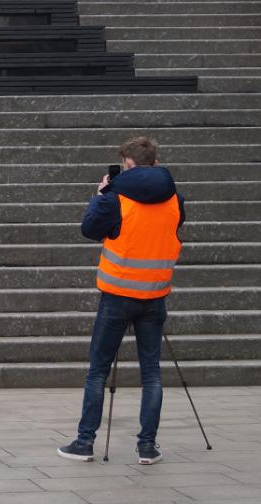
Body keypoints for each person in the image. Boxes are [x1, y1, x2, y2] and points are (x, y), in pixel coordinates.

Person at [57, 136, 186, 465]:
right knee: (152, 374)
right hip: (154, 295)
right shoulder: (175, 199)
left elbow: (89, 228)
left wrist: (100, 196)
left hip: (117, 295)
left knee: (97, 372)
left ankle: (85, 442)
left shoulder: (116, 197)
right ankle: (147, 446)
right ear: (155, 163)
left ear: (127, 165)